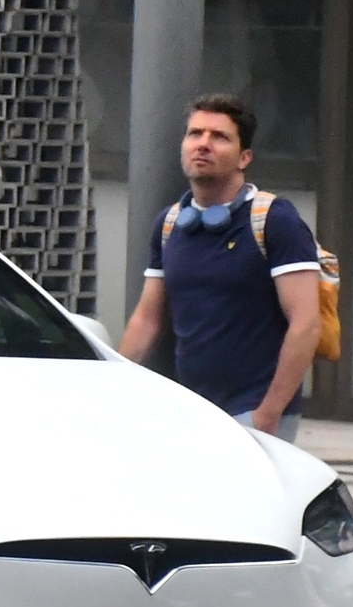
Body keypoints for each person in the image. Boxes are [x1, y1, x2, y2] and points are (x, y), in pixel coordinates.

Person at [118, 93, 322, 441]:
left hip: (254, 415)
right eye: (195, 134)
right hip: (193, 414)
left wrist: (268, 414)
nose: (203, 144)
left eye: (219, 136)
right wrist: (112, 384)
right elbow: (147, 320)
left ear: (245, 157)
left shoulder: (274, 220)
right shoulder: (169, 225)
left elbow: (306, 324)